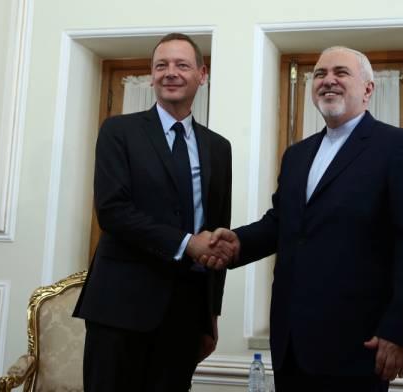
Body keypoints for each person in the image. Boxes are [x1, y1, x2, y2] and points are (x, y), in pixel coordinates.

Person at [202, 46, 403, 391]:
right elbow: (282, 224)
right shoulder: (297, 155)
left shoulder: (401, 147)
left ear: (368, 89)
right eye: (320, 75)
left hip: (359, 346)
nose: (328, 81)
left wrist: (400, 331)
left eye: (341, 73)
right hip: (291, 345)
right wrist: (237, 243)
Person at [73, 33, 234, 392]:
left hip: (185, 312)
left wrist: (211, 316)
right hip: (119, 307)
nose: (170, 73)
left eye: (181, 65)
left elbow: (218, 231)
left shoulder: (219, 148)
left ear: (202, 74)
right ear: (151, 75)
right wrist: (186, 243)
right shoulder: (119, 131)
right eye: (161, 65)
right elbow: (113, 212)